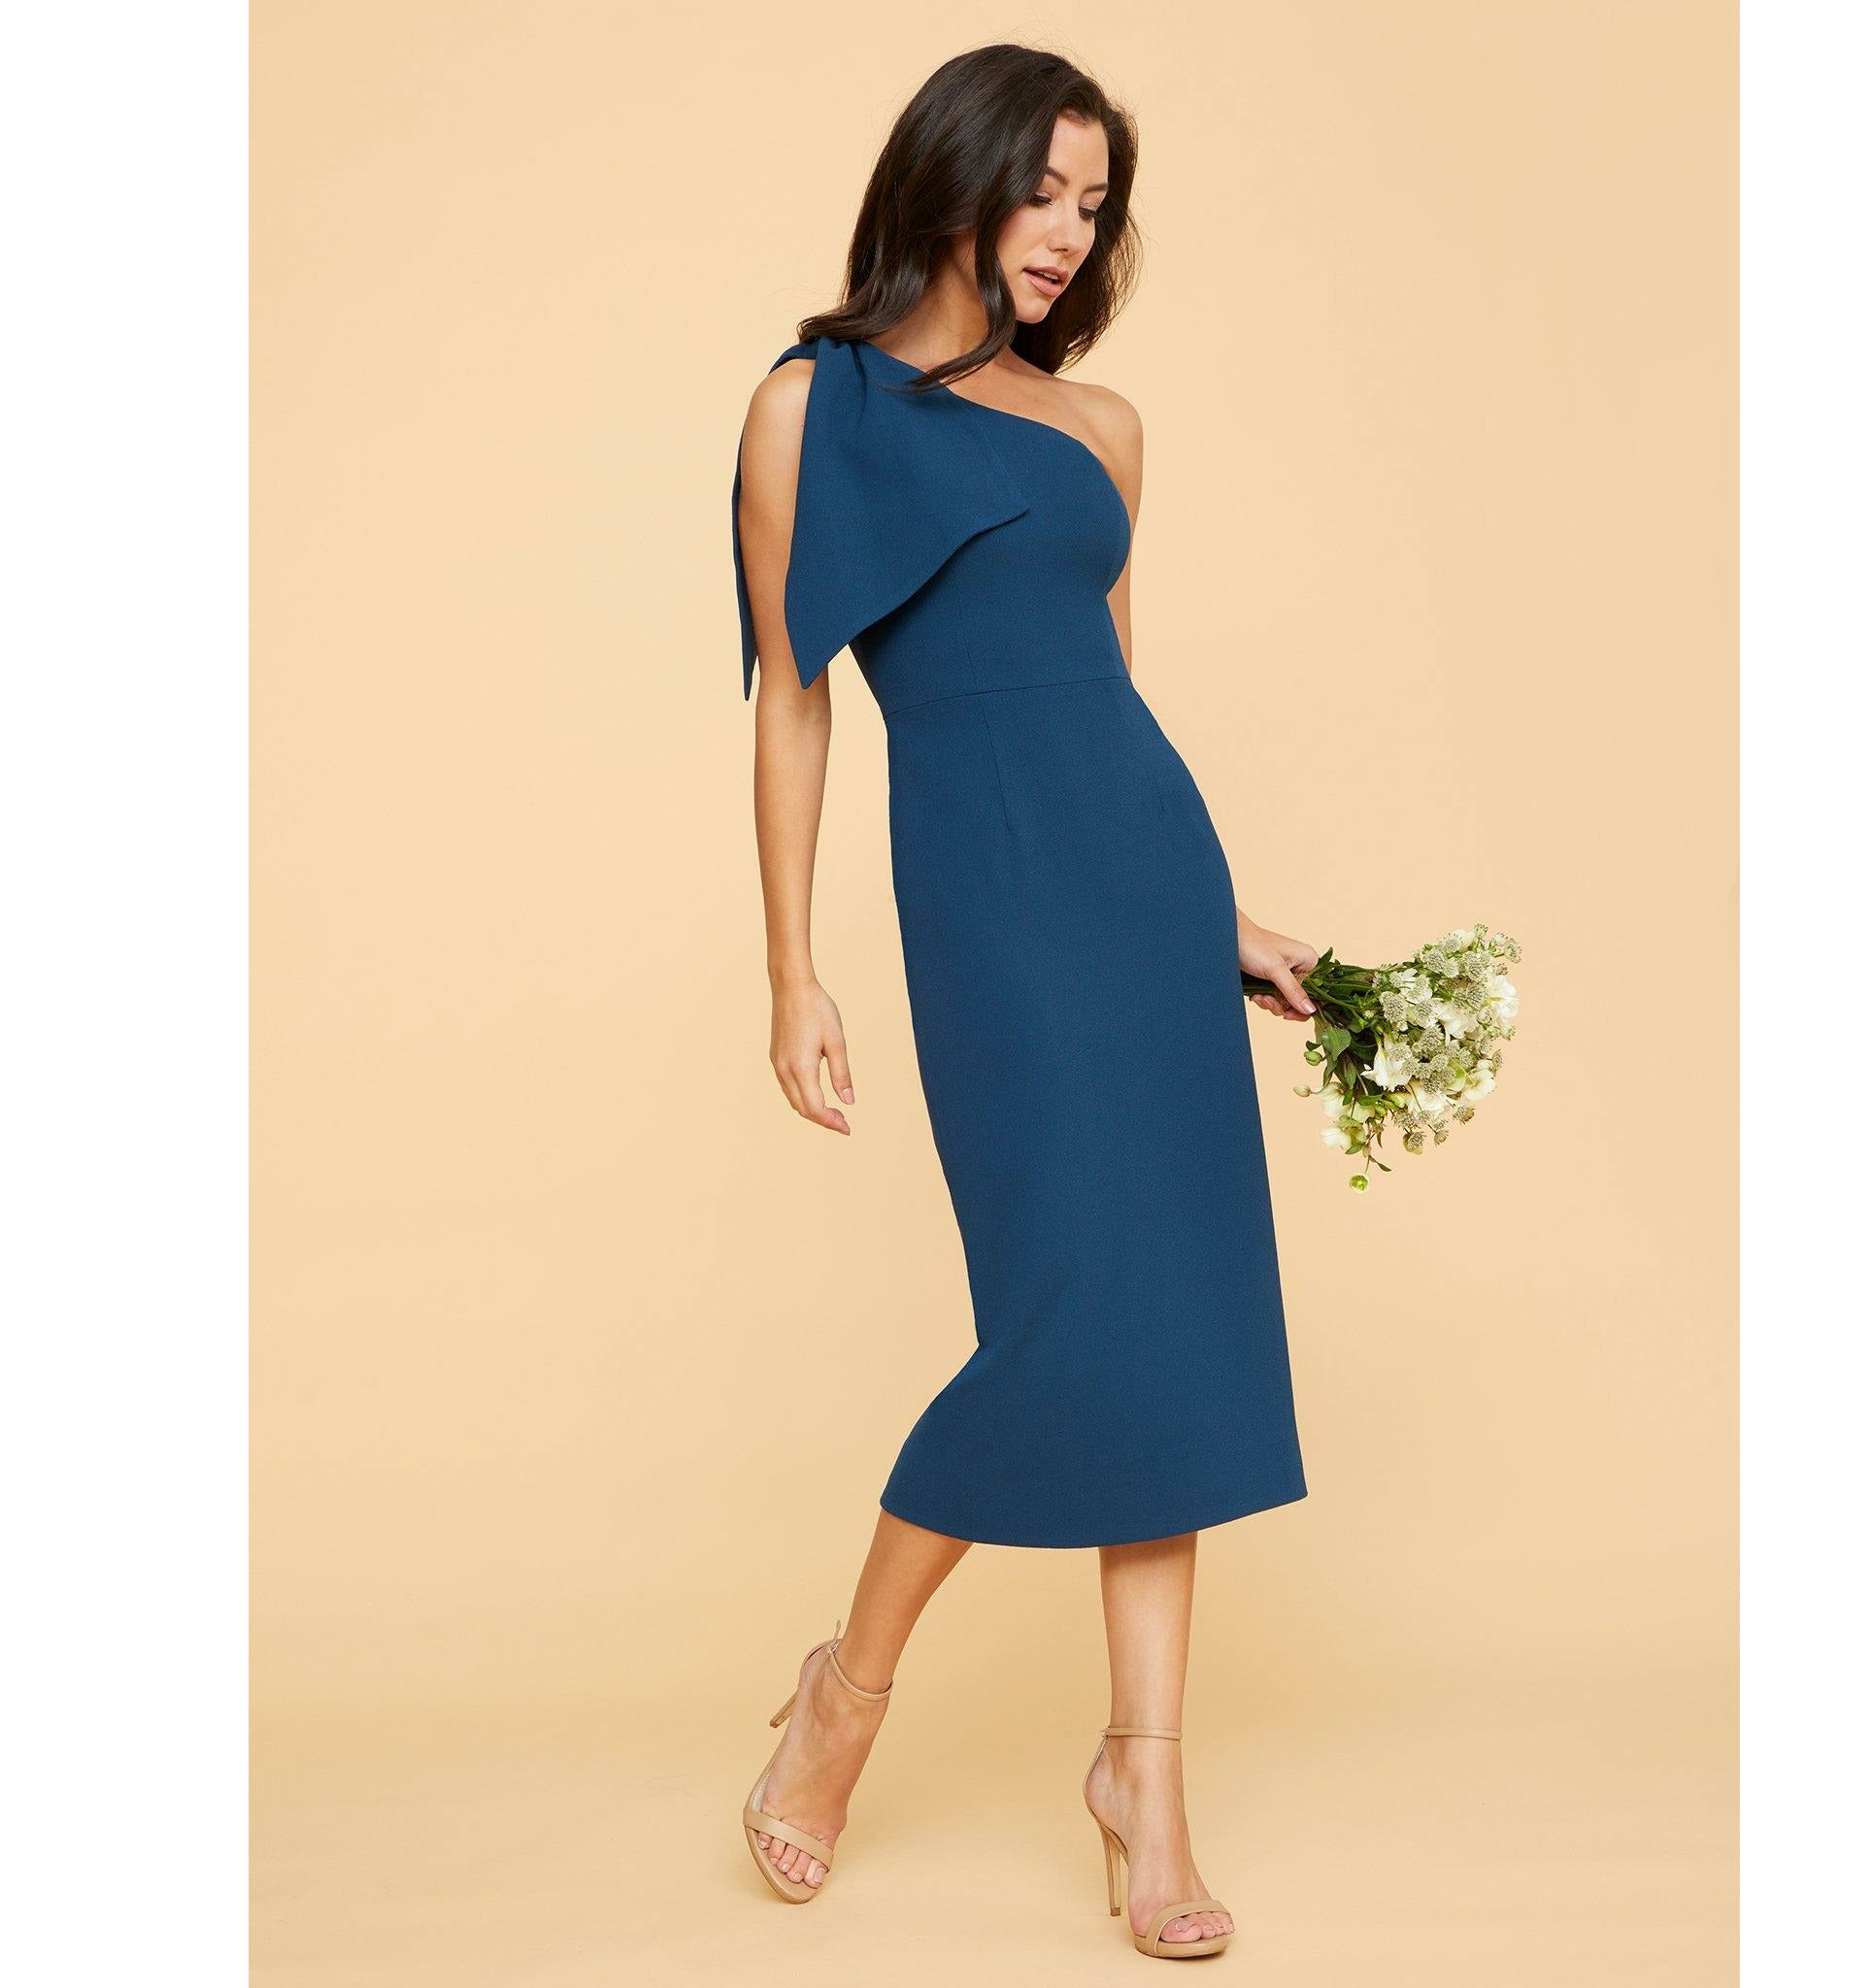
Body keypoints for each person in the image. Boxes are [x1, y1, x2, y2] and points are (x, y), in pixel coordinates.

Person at [730, 42, 1319, 1961]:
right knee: (1067, 1314)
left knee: (1176, 1325)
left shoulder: (1101, 429)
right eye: (1042, 189)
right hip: (985, 900)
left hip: (1144, 891)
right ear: (955, 176)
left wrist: (1226, 922)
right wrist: (793, 966)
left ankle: (1147, 1778)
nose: (1070, 231)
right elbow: (794, 700)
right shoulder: (808, 409)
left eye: (1096, 202)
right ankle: (846, 1693)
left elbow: (1111, 705)